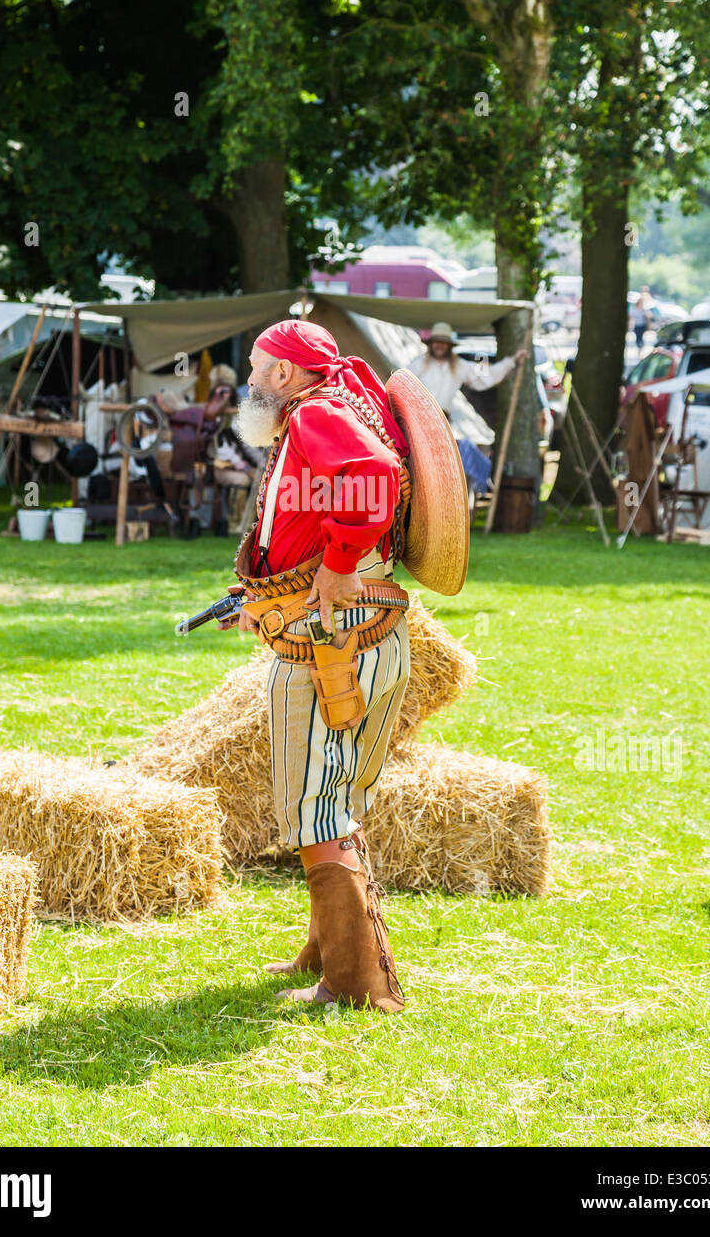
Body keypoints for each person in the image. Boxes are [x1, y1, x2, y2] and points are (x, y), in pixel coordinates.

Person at [222, 318, 411, 1013]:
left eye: (253, 366)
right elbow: (313, 513)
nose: (247, 379)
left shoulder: (318, 413)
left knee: (316, 805)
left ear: (282, 373)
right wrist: (267, 593)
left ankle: (356, 984)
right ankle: (326, 949)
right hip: (356, 630)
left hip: (334, 635)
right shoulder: (337, 407)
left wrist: (333, 569)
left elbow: (369, 477)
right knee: (335, 797)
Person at [407, 321, 527, 495]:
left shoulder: (459, 366)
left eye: (443, 342)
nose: (439, 345)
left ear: (449, 345)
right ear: (431, 343)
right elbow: (401, 385)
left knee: (444, 466)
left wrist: (512, 362)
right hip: (417, 422)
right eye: (436, 341)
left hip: (442, 423)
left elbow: (485, 377)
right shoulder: (418, 364)